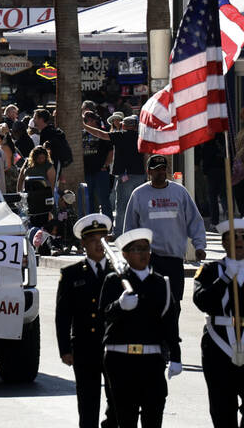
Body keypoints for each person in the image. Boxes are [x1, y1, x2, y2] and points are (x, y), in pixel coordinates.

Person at [99, 228, 181, 428]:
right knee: (126, 418)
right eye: (137, 249)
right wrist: (119, 305)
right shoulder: (114, 281)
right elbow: (102, 315)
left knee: (153, 416)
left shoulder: (162, 284)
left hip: (151, 360)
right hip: (121, 360)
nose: (144, 254)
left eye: (146, 249)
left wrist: (176, 357)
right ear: (125, 254)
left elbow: (170, 323)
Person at [124, 154, 206, 307]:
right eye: (156, 170)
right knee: (150, 304)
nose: (161, 172)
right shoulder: (139, 194)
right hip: (149, 260)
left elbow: (195, 221)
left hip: (174, 259)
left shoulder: (179, 192)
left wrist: (199, 245)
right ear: (149, 172)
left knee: (174, 305)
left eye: (163, 169)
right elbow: (130, 228)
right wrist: (130, 255)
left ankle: (172, 332)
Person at [55, 213, 114, 428]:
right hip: (85, 346)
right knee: (88, 404)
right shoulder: (71, 274)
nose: (99, 245)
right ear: (84, 244)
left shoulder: (118, 271)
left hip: (114, 347)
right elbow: (63, 314)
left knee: (117, 402)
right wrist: (65, 348)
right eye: (93, 240)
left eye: (103, 239)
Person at [194, 217, 244, 428]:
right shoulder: (210, 270)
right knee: (222, 407)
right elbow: (202, 301)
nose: (240, 241)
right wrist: (224, 279)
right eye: (234, 237)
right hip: (218, 342)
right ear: (223, 243)